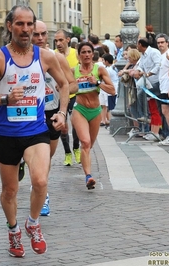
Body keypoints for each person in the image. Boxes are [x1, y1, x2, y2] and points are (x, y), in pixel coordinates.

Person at [0, 5, 69, 258]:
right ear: (10, 26)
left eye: (30, 24)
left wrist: (61, 113)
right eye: (20, 24)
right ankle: (14, 230)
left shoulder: (45, 57)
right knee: (10, 191)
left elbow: (64, 85)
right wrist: (6, 99)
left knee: (40, 181)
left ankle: (33, 223)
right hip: (7, 134)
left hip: (36, 130)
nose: (26, 29)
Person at [25, 20, 78, 216]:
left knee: (46, 158)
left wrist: (62, 90)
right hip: (28, 113)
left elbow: (73, 85)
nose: (39, 38)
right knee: (34, 157)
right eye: (36, 34)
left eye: (43, 34)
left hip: (50, 112)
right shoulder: (21, 58)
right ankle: (40, 190)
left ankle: (40, 191)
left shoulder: (56, 59)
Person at [71, 42, 115, 189]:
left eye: (89, 52)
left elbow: (112, 90)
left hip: (95, 111)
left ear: (93, 54)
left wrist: (96, 82)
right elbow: (63, 87)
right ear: (79, 55)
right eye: (83, 52)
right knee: (85, 142)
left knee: (89, 145)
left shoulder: (99, 69)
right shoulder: (74, 71)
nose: (86, 55)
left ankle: (87, 170)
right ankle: (88, 176)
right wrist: (72, 85)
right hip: (80, 110)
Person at [54, 29, 81, 166]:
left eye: (61, 40)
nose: (58, 43)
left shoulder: (75, 55)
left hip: (74, 93)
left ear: (68, 40)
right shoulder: (52, 55)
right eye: (56, 40)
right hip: (59, 97)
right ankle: (67, 153)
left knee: (76, 123)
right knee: (63, 127)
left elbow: (82, 70)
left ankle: (76, 147)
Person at [135, 38, 162, 141]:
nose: (137, 46)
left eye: (138, 44)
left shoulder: (154, 52)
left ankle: (154, 130)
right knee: (150, 106)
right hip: (148, 82)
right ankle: (151, 128)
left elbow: (158, 65)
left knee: (152, 105)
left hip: (155, 82)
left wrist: (149, 73)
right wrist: (139, 71)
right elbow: (141, 66)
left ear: (141, 45)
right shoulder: (143, 55)